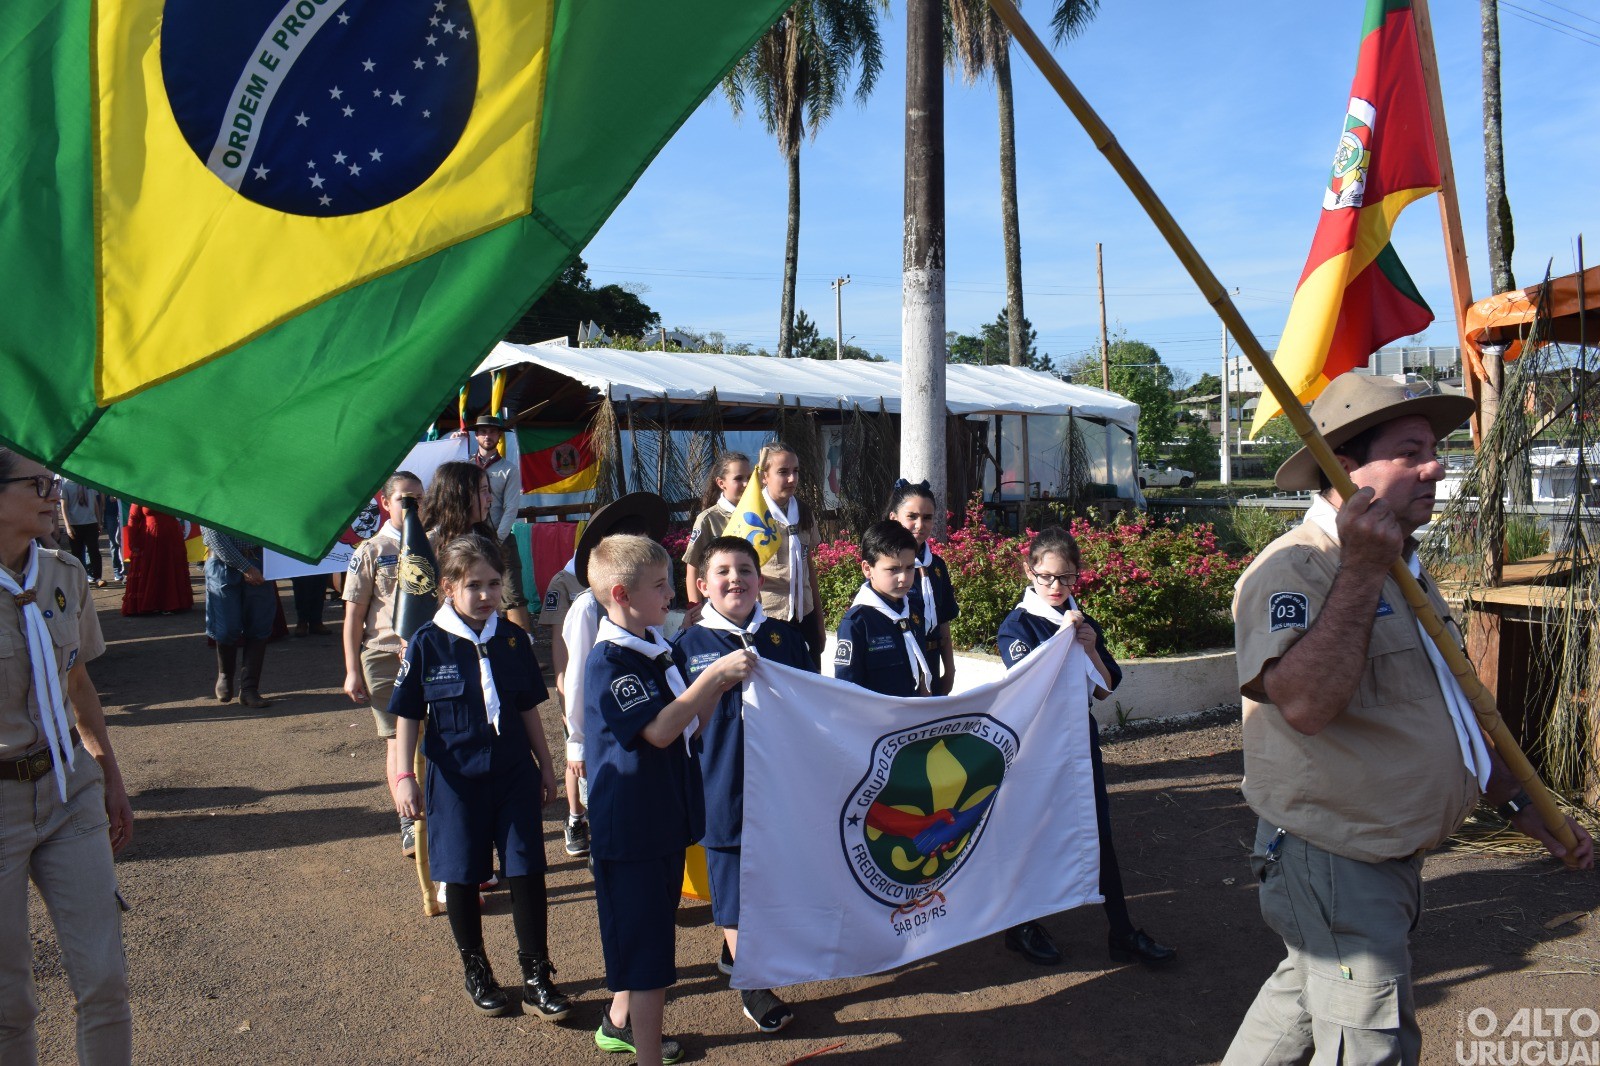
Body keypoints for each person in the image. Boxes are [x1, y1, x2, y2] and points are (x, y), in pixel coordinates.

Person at [1221, 374, 1594, 1066]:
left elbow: (1443, 711)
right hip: (1337, 861)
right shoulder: (1297, 568)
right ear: (1344, 465)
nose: (1436, 466)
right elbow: (1303, 706)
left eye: (1436, 448)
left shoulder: (1402, 565)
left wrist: (1519, 802)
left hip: (1382, 859)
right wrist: (1362, 571)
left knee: (1300, 1007)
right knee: (1374, 1044)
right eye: (1411, 450)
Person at [583, 534, 753, 1065]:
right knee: (649, 957)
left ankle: (618, 1025)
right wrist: (714, 678)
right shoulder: (610, 661)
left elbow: (687, 730)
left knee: (647, 940)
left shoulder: (653, 649)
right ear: (620, 595)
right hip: (631, 830)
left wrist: (715, 692)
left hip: (660, 822)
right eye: (659, 587)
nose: (670, 597)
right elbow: (658, 730)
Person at [390, 533, 570, 1021]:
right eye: (474, 585)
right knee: (463, 874)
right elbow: (408, 714)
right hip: (455, 780)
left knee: (527, 869)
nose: (487, 594)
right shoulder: (429, 643)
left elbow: (528, 707)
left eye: (494, 583)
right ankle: (478, 969)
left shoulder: (510, 638)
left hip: (513, 773)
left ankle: (536, 974)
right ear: (448, 587)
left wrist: (546, 766)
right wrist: (404, 775)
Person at [0, 448, 134, 1063]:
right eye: (39, 483)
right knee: (9, 1002)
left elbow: (78, 684)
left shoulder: (64, 574)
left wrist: (109, 776)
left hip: (65, 786)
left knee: (104, 980)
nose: (56, 492)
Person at [995, 526, 1175, 968]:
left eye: (1067, 578)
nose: (1056, 587)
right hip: (1037, 748)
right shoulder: (1017, 625)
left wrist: (1090, 649)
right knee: (1032, 834)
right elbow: (1031, 686)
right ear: (1028, 571)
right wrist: (1065, 641)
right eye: (1047, 577)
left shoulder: (1081, 621)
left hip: (1079, 742)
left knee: (1100, 834)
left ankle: (1122, 931)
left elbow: (1106, 689)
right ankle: (1021, 924)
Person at [671, 536, 813, 1034]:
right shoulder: (686, 646)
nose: (736, 580)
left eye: (746, 570)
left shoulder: (785, 637)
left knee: (771, 876)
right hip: (722, 783)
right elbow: (679, 725)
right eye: (724, 571)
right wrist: (715, 679)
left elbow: (813, 705)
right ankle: (752, 982)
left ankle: (735, 954)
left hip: (780, 783)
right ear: (704, 584)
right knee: (732, 882)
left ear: (760, 580)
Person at [552, 494, 671, 861]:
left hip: (639, 716)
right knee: (609, 794)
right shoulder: (589, 606)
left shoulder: (647, 607)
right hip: (606, 725)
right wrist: (576, 741)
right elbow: (577, 675)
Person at [342, 471, 424, 857]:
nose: (413, 506)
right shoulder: (370, 550)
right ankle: (408, 820)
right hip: (384, 655)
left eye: (419, 499)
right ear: (385, 503)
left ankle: (435, 807)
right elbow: (354, 617)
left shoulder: (432, 544)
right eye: (405, 499)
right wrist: (352, 669)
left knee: (431, 736)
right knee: (397, 740)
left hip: (427, 654)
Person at [833, 520, 931, 698]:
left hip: (913, 715)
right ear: (867, 569)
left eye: (910, 568)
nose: (904, 578)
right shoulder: (857, 623)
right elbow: (846, 688)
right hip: (876, 720)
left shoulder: (913, 612)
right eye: (893, 569)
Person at [750, 443, 825, 669]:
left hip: (805, 612)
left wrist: (819, 624)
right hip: (770, 615)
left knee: (812, 683)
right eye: (783, 472)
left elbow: (807, 566)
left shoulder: (803, 511)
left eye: (796, 471)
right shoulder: (752, 515)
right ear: (765, 476)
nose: (792, 479)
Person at [539, 553, 592, 857]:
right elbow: (558, 638)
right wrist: (562, 681)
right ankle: (575, 816)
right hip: (574, 680)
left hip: (603, 677)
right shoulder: (563, 581)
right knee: (576, 748)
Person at [886, 479, 958, 695]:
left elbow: (943, 619)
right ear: (893, 518)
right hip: (901, 663)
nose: (920, 525)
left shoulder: (936, 566)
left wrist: (950, 670)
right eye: (912, 517)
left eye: (927, 518)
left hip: (932, 660)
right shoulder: (887, 567)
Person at [467, 416, 532, 632]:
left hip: (500, 539)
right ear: (476, 436)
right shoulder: (465, 465)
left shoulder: (509, 469)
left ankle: (524, 651)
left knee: (512, 594)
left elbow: (511, 508)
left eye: (492, 432)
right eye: (483, 431)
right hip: (471, 539)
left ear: (499, 435)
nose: (488, 436)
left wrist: (497, 539)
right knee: (475, 591)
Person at [203, 526, 276, 708]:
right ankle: (225, 674)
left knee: (259, 626)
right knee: (227, 628)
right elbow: (216, 538)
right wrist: (245, 567)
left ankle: (250, 689)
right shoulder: (212, 499)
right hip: (222, 565)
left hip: (258, 561)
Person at [681, 451, 751, 614]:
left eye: (749, 477)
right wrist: (695, 610)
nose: (746, 483)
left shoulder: (760, 515)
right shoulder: (708, 520)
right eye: (739, 478)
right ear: (721, 483)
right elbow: (693, 567)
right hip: (721, 607)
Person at [120, 505, 193, 616]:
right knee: (152, 571)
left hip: (172, 539)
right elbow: (133, 519)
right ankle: (152, 604)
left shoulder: (172, 490)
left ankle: (173, 604)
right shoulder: (140, 492)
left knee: (170, 570)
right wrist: (132, 541)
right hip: (151, 539)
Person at [58, 477, 105, 588]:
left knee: (94, 551)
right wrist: (68, 526)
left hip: (91, 522)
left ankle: (98, 577)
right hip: (75, 524)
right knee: (77, 553)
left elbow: (95, 503)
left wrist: (99, 521)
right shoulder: (66, 486)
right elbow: (63, 506)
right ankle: (81, 578)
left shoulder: (88, 484)